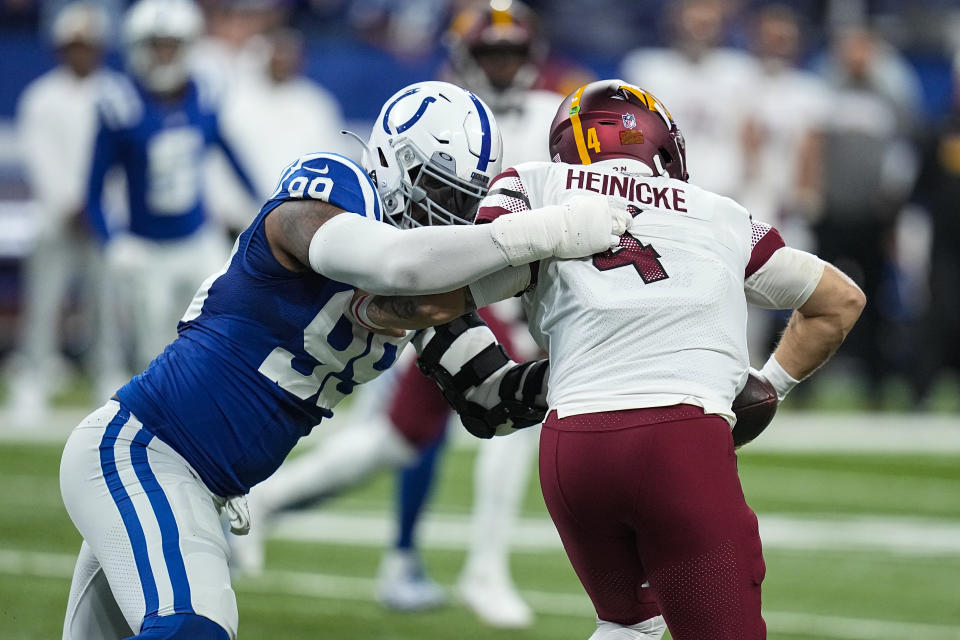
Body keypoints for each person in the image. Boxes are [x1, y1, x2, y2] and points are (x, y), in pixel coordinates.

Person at [58, 78, 630, 640]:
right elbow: (397, 268)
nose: (452, 214)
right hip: (145, 452)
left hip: (200, 487)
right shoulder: (332, 188)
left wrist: (602, 376)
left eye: (468, 201)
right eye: (443, 191)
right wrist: (547, 234)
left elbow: (490, 401)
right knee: (194, 629)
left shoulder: (431, 280)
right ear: (393, 161)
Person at [358, 79, 866, 639]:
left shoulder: (534, 183)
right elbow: (840, 301)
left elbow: (440, 288)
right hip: (680, 441)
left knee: (631, 627)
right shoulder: (718, 214)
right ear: (662, 145)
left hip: (570, 447)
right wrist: (768, 385)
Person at [230, 2, 568, 626]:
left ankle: (267, 504)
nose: (503, 64)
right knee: (472, 416)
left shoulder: (547, 117)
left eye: (512, 52)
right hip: (446, 289)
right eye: (491, 52)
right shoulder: (439, 117)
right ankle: (482, 568)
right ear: (465, 55)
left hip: (482, 299)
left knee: (397, 442)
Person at [85, 0, 257, 372]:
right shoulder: (122, 104)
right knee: (154, 350)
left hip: (198, 238)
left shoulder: (205, 94)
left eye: (171, 45)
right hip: (146, 247)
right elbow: (93, 189)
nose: (164, 55)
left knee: (221, 327)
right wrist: (112, 240)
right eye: (156, 45)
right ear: (138, 48)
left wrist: (262, 200)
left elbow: (230, 153)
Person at [7, 2, 123, 423]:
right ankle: (34, 377)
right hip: (56, 219)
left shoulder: (115, 94)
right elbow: (40, 157)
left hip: (103, 218)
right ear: (60, 48)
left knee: (106, 303)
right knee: (44, 301)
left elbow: (122, 160)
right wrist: (70, 203)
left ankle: (106, 372)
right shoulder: (42, 96)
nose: (81, 52)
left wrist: (99, 206)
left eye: (88, 45)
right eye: (74, 45)